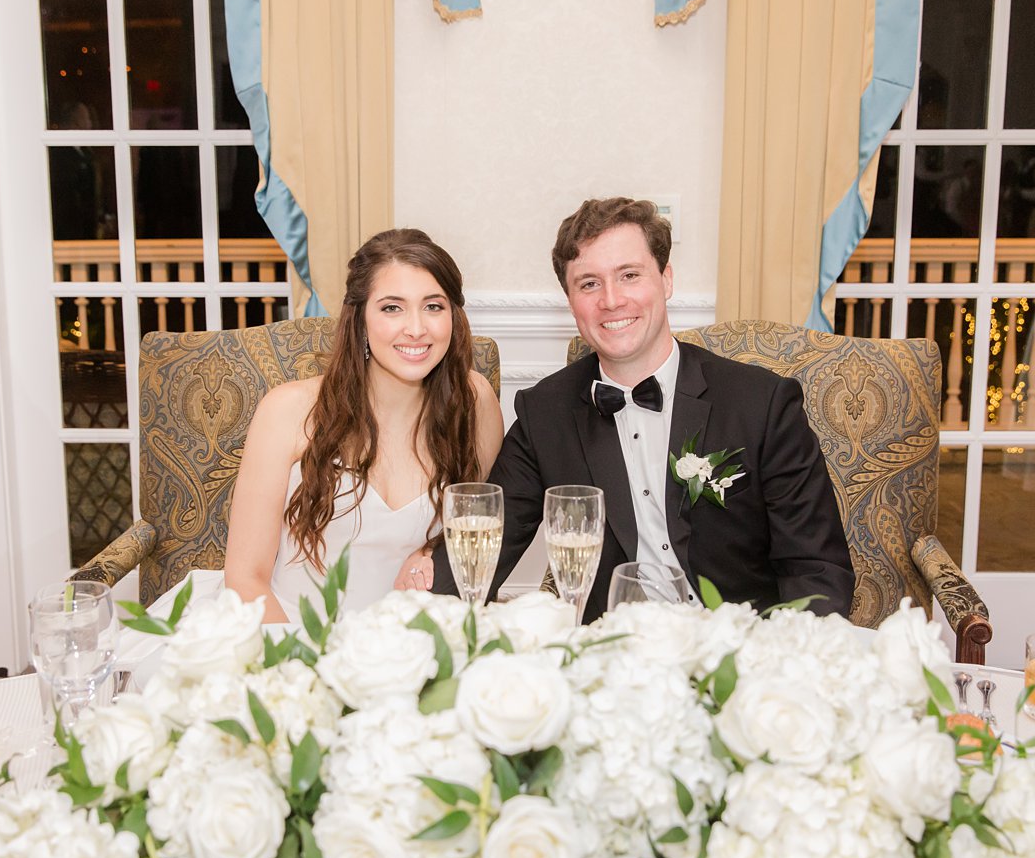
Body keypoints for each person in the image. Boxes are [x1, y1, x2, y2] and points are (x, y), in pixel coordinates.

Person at [429, 197, 854, 624]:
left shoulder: (762, 404)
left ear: (666, 280)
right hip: (614, 658)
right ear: (570, 300)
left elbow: (815, 570)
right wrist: (412, 623)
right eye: (589, 283)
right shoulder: (545, 414)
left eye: (629, 275)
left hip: (740, 655)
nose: (611, 300)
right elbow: (484, 543)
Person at [224, 228, 503, 622]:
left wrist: (431, 552)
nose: (416, 328)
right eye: (392, 308)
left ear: (454, 317)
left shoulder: (474, 403)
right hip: (285, 636)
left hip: (413, 646)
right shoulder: (288, 410)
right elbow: (245, 577)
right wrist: (299, 669)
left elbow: (477, 526)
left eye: (433, 306)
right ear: (360, 319)